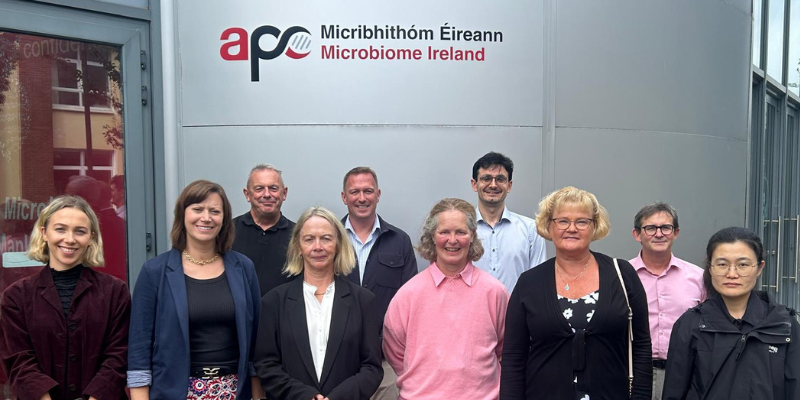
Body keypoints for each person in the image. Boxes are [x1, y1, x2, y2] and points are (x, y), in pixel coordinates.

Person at [500, 186, 652, 400]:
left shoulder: (622, 275)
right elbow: (514, 357)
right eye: (562, 221)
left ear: (595, 226)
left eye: (582, 221)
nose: (571, 228)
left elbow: (642, 347)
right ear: (549, 226)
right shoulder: (529, 283)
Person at [128, 180, 263, 400]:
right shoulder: (155, 272)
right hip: (175, 392)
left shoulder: (244, 268)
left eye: (215, 211)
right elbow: (139, 348)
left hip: (234, 391)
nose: (206, 217)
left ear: (224, 219)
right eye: (197, 209)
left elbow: (257, 342)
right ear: (183, 214)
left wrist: (258, 397)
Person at [0, 195, 131, 400]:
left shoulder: (115, 292)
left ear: (91, 238)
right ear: (44, 233)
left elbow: (118, 356)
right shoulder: (16, 296)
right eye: (60, 229)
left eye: (80, 231)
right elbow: (18, 360)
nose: (70, 239)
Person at [383, 198, 508, 400]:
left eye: (460, 232)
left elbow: (505, 350)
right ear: (433, 236)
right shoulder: (409, 294)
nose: (452, 240)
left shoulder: (495, 292)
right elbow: (395, 352)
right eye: (444, 232)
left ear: (472, 236)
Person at [254, 206, 382, 400]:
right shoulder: (273, 302)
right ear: (298, 246)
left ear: (338, 244)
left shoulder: (363, 301)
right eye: (309, 239)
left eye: (326, 238)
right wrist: (306, 396)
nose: (318, 247)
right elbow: (266, 365)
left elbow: (372, 368)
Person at [663, 227, 799, 400]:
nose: (732, 274)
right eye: (722, 264)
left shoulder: (783, 324)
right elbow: (674, 392)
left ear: (759, 267)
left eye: (742, 265)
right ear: (710, 268)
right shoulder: (690, 325)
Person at [340, 166, 417, 400]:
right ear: (344, 197)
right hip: (339, 362)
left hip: (387, 364)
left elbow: (411, 303)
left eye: (368, 191)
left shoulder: (399, 241)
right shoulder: (329, 240)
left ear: (378, 194)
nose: (362, 198)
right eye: (354, 192)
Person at [629, 202, 704, 400]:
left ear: (676, 232)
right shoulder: (622, 276)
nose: (659, 234)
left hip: (683, 372)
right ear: (637, 234)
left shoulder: (698, 278)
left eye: (666, 227)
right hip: (634, 373)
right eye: (651, 228)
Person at [471, 152, 547, 293]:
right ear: (474, 184)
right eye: (486, 178)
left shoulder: (531, 230)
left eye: (500, 179)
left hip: (518, 314)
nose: (493, 185)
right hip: (473, 313)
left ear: (509, 185)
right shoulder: (462, 229)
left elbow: (539, 282)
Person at [232, 163, 296, 297]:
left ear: (284, 193)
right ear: (247, 194)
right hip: (239, 315)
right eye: (259, 188)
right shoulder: (228, 231)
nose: (267, 194)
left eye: (273, 188)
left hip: (284, 315)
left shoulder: (298, 235)